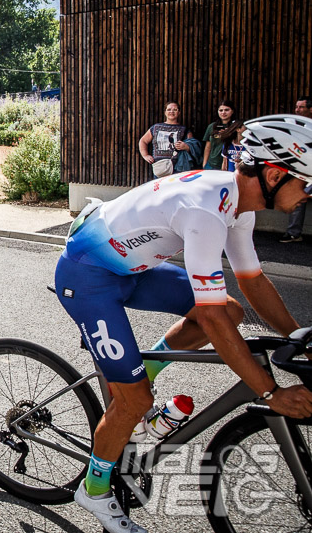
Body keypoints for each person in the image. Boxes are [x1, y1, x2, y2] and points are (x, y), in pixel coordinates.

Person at [57, 114, 312, 533]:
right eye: (306, 182)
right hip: (88, 276)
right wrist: (270, 392)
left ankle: (146, 375)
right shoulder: (207, 212)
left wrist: (297, 337)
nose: (308, 194)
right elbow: (208, 319)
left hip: (132, 269)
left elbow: (252, 282)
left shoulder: (238, 205)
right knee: (134, 401)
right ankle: (95, 489)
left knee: (230, 310)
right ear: (272, 173)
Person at [282, 96, 311, 242]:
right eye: (296, 107)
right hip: (302, 170)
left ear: (310, 109)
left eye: (301, 107)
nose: (297, 110)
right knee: (298, 197)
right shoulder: (293, 126)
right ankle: (294, 233)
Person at [138, 101, 194, 178]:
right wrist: (145, 155)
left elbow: (193, 146)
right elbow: (143, 141)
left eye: (175, 110)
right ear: (165, 112)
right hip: (160, 166)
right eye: (169, 109)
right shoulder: (155, 127)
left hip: (178, 167)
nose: (172, 112)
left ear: (179, 112)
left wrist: (186, 147)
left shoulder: (185, 129)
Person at [201, 100, 240, 171]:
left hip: (230, 164)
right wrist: (204, 163)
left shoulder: (237, 127)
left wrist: (228, 134)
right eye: (221, 110)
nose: (223, 112)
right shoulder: (212, 126)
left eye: (226, 110)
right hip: (212, 164)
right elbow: (208, 147)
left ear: (232, 111)